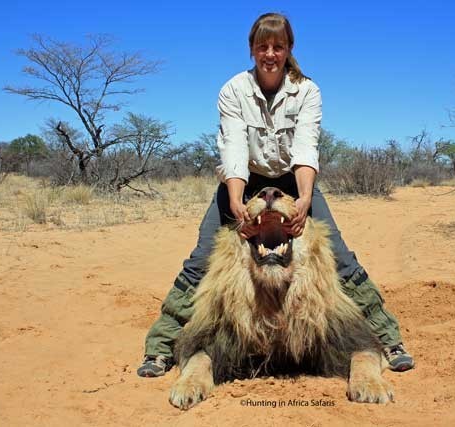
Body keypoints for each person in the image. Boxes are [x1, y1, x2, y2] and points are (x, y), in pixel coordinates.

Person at [138, 12, 414, 377]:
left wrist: (304, 200)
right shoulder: (234, 89)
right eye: (262, 46)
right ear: (252, 49)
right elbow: (234, 148)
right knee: (202, 257)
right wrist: (236, 204)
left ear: (288, 49)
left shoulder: (307, 91)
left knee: (340, 256)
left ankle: (389, 340)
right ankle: (160, 348)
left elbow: (306, 148)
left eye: (278, 47)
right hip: (243, 181)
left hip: (293, 181)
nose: (270, 54)